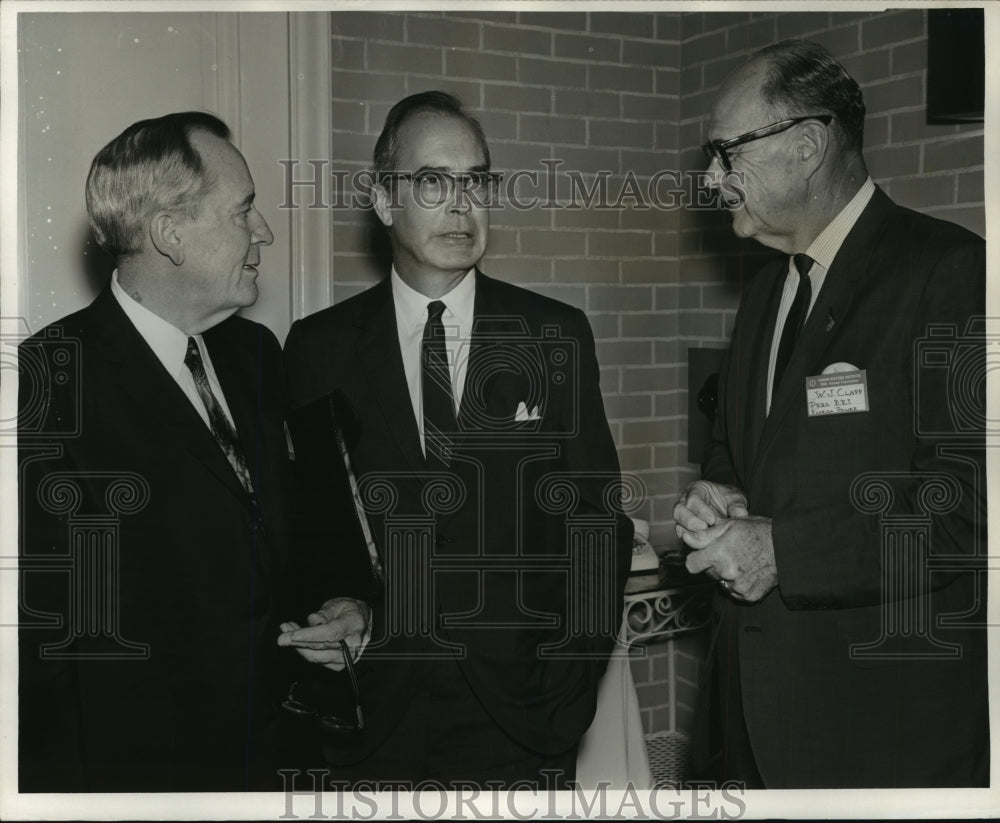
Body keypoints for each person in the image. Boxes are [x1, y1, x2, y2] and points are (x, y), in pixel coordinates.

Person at [279, 90, 633, 788]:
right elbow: (311, 532)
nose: (462, 204)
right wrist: (341, 610)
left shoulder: (552, 334)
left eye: (476, 181)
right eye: (433, 182)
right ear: (384, 201)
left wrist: (568, 687)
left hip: (522, 717)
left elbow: (597, 522)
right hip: (372, 718)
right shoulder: (317, 347)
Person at [673, 39, 988, 789]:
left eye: (725, 151)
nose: (711, 179)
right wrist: (723, 494)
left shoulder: (951, 272)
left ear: (808, 144)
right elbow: (738, 457)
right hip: (748, 723)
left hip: (877, 732)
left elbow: (972, 506)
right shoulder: (760, 296)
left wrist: (782, 549)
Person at [18, 111, 290, 791]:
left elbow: (278, 540)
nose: (265, 233)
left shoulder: (258, 355)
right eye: (244, 210)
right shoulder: (48, 380)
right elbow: (40, 646)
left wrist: (339, 603)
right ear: (170, 233)